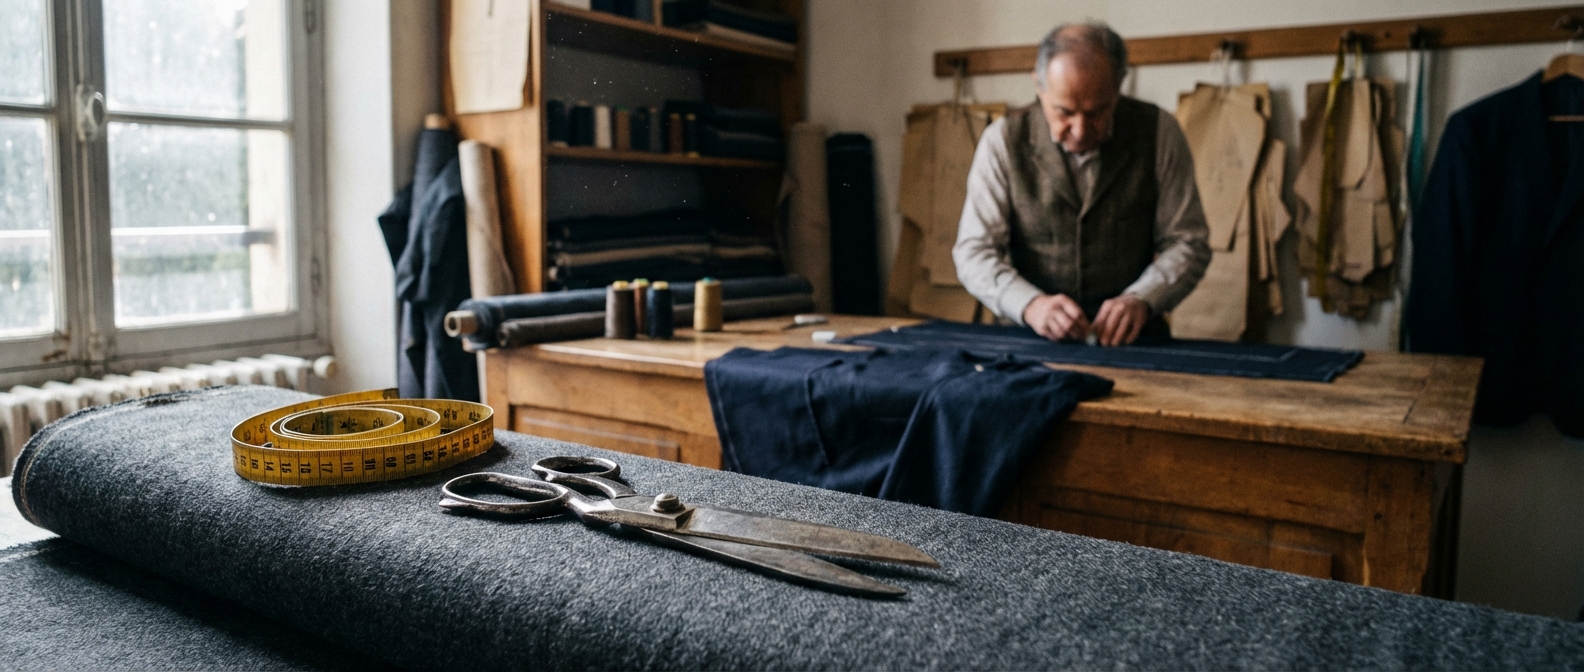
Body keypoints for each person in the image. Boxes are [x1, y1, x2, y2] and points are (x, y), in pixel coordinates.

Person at [953, 22, 1211, 346]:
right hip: (1027, 341)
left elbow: (1188, 241)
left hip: (1135, 343)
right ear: (1038, 86)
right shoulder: (1001, 141)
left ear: (1119, 86)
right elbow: (973, 252)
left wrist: (1143, 298)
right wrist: (1030, 305)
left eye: (1097, 112)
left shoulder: (1160, 133)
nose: (1080, 130)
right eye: (1064, 112)